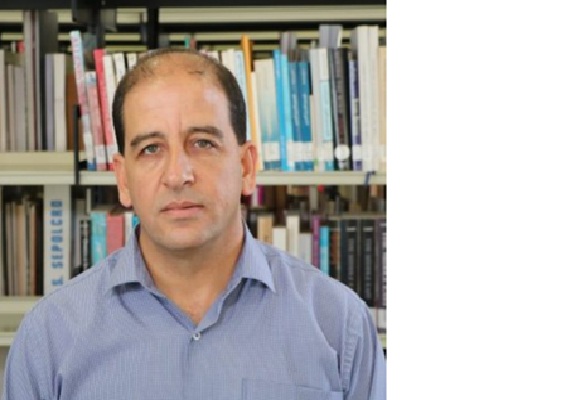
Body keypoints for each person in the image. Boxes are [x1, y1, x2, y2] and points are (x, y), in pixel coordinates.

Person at [3, 48, 386, 399]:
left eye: (202, 143)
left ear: (246, 167)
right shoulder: (49, 339)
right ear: (123, 180)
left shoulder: (340, 325)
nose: (178, 175)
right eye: (151, 149)